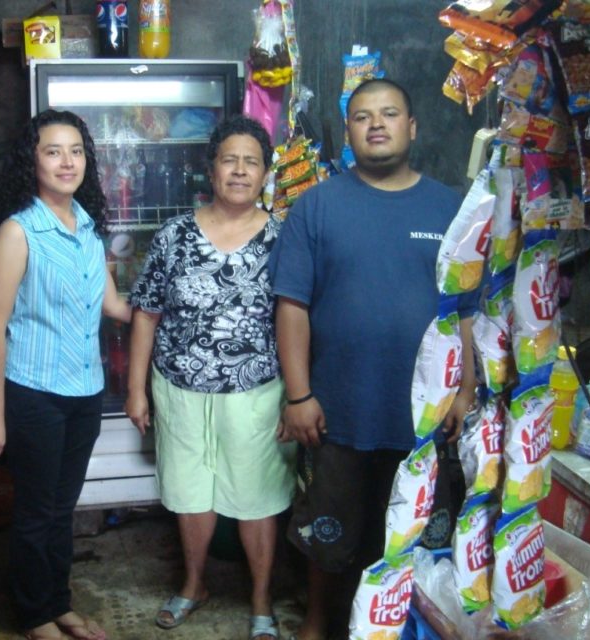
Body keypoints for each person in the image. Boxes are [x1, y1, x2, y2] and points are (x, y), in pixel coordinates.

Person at [267, 78, 477, 640]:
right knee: (329, 532)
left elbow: (464, 309)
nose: (376, 124)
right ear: (349, 132)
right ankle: (318, 622)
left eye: (389, 113)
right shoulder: (317, 205)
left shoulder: (448, 207)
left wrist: (465, 390)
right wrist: (298, 395)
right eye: (362, 117)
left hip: (424, 415)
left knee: (418, 534)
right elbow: (291, 306)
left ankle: (408, 626)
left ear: (413, 127)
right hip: (340, 409)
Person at [125, 115, 295, 640]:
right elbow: (146, 313)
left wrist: (299, 396)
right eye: (229, 160)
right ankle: (194, 583)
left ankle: (261, 599)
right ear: (211, 169)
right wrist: (135, 390)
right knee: (190, 492)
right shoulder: (174, 235)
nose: (240, 171)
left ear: (265, 173)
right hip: (178, 388)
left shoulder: (285, 238)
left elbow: (299, 321)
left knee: (257, 496)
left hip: (257, 392)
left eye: (251, 162)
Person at [0, 109, 130, 640]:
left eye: (76, 151)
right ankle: (34, 616)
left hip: (85, 393)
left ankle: (58, 603)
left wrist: (167, 303)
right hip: (34, 393)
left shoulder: (88, 229)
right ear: (34, 161)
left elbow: (113, 305)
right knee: (36, 512)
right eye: (53, 151)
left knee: (62, 509)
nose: (67, 162)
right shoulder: (19, 232)